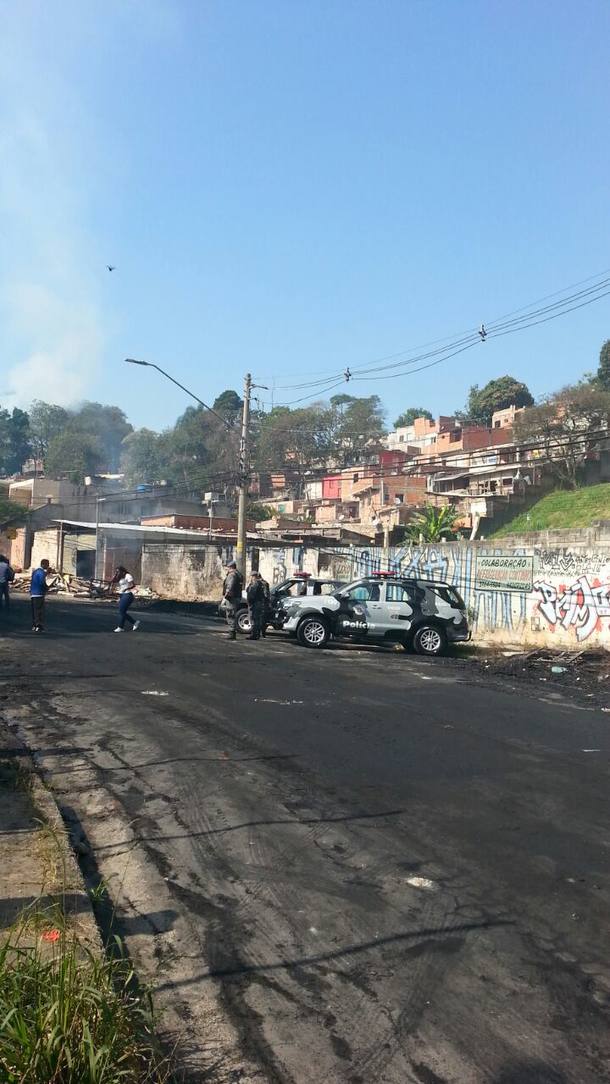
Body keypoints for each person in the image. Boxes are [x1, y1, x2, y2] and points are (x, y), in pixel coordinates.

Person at [113, 566, 140, 632]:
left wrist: (127, 588)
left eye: (118, 571)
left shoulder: (128, 576)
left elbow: (133, 585)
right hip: (122, 595)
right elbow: (113, 581)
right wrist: (115, 575)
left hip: (128, 595)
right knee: (122, 612)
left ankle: (133, 622)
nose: (117, 572)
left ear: (123, 571)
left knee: (121, 611)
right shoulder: (120, 577)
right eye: (116, 571)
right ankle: (122, 627)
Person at [223, 560, 244, 640]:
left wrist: (227, 594)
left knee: (230, 614)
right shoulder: (239, 575)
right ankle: (232, 632)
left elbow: (230, 585)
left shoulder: (232, 575)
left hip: (232, 597)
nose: (227, 569)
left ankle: (232, 632)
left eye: (228, 568)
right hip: (237, 596)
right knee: (233, 613)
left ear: (231, 567)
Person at [30, 558, 50, 631]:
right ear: (43, 564)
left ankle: (34, 625)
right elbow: (42, 582)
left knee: (34, 610)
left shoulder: (35, 572)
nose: (48, 566)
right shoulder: (41, 573)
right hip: (39, 593)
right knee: (39, 611)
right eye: (47, 565)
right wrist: (46, 588)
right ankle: (39, 625)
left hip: (33, 593)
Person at [246, 571, 266, 641]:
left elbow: (252, 594)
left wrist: (250, 602)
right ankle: (256, 634)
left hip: (255, 603)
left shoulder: (256, 584)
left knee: (254, 619)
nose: (251, 578)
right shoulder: (258, 583)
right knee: (256, 619)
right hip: (257, 603)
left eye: (251, 576)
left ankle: (254, 634)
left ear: (253, 576)